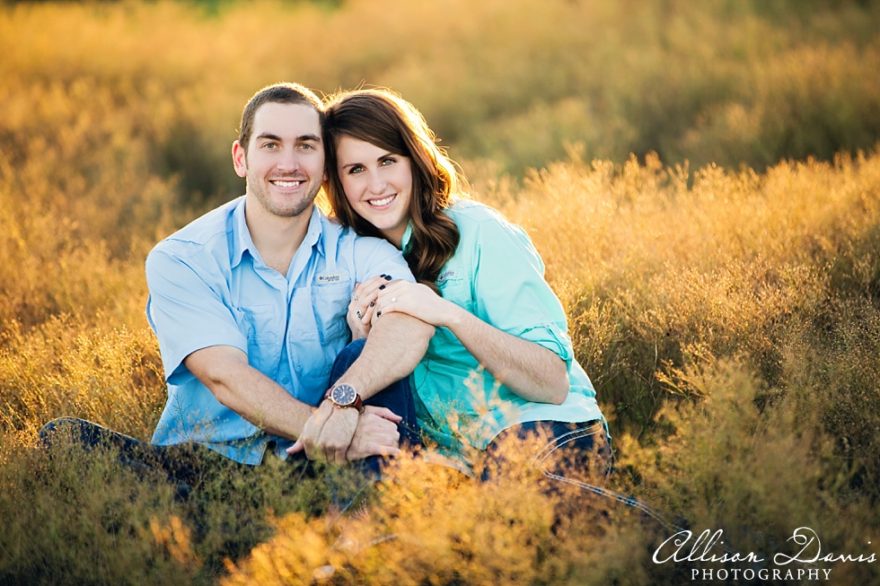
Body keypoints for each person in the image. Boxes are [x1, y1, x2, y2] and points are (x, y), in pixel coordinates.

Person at [39, 83, 433, 488]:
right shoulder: (184, 258)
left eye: (305, 146)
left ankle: (353, 521)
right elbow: (224, 375)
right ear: (240, 158)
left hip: (312, 468)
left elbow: (410, 324)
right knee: (66, 438)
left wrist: (344, 400)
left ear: (325, 165)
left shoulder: (360, 250)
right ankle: (220, 522)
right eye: (270, 145)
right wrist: (331, 429)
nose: (288, 163)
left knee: (366, 353)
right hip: (202, 464)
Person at [321, 89, 610, 480]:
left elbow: (552, 382)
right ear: (336, 182)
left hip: (542, 425)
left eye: (387, 161)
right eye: (356, 169)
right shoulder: (355, 259)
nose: (376, 184)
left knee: (513, 497)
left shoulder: (479, 232)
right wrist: (364, 338)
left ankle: (649, 520)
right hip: (458, 455)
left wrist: (448, 315)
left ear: (414, 160)